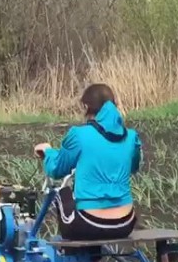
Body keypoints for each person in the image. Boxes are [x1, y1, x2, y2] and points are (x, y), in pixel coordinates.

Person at [34, 83, 141, 242]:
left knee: (61, 193)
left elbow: (56, 169)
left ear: (86, 106)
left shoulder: (79, 135)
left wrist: (48, 151)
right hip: (125, 224)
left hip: (89, 224)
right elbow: (133, 167)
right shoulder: (131, 137)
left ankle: (71, 260)